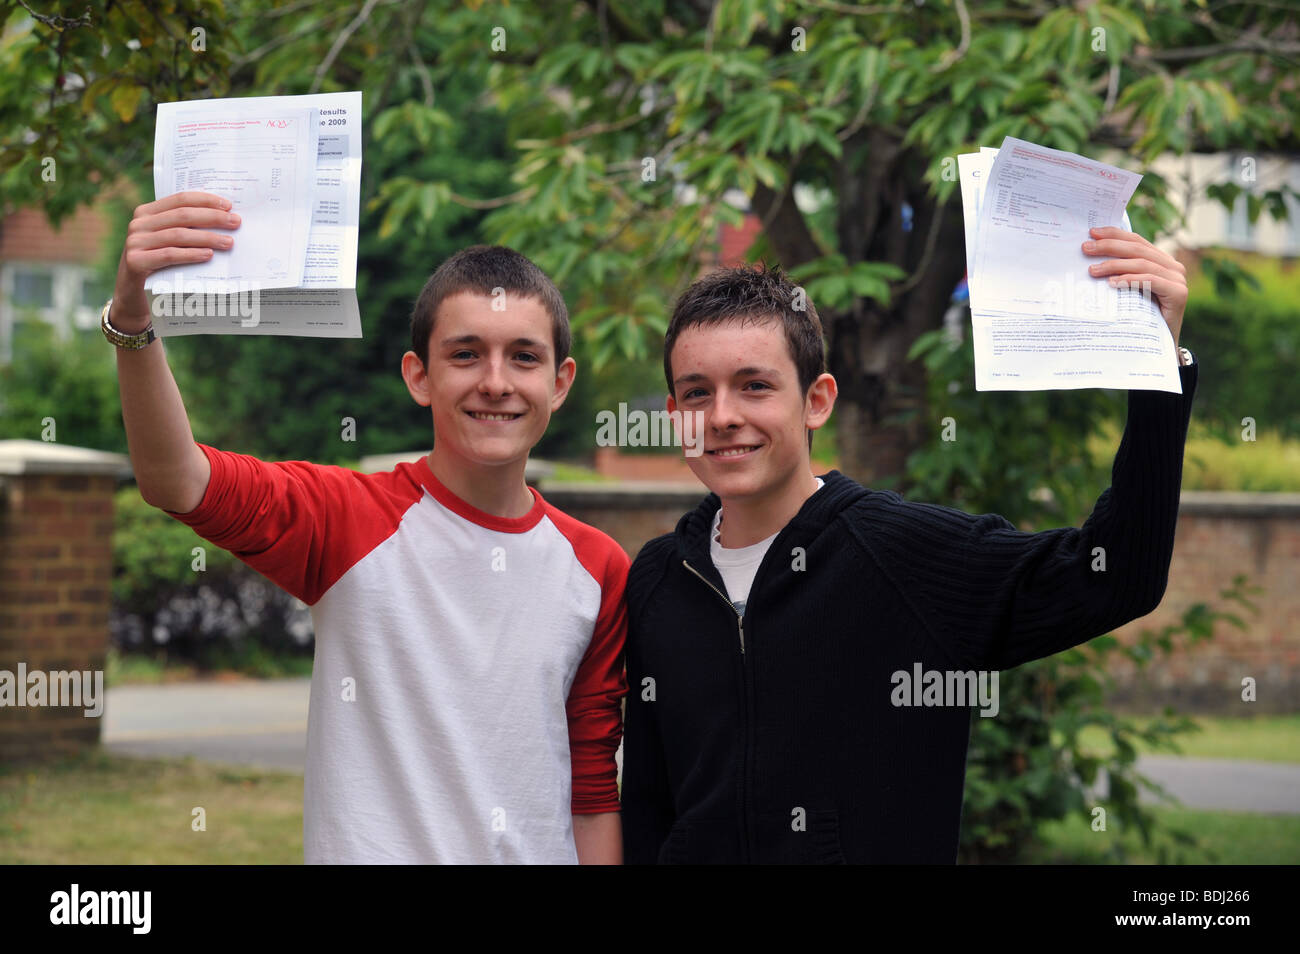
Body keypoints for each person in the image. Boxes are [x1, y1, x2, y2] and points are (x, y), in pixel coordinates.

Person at [619, 227, 1196, 863]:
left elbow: (1117, 576)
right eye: (698, 392)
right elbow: (648, 802)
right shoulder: (657, 578)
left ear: (817, 401)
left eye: (755, 385)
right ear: (675, 415)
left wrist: (1160, 366)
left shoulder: (905, 557)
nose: (723, 415)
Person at [108, 191, 627, 864]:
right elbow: (177, 479)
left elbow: (590, 792)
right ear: (419, 376)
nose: (495, 382)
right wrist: (130, 319)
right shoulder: (346, 519)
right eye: (465, 354)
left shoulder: (598, 566)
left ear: (560, 383)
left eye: (523, 357)